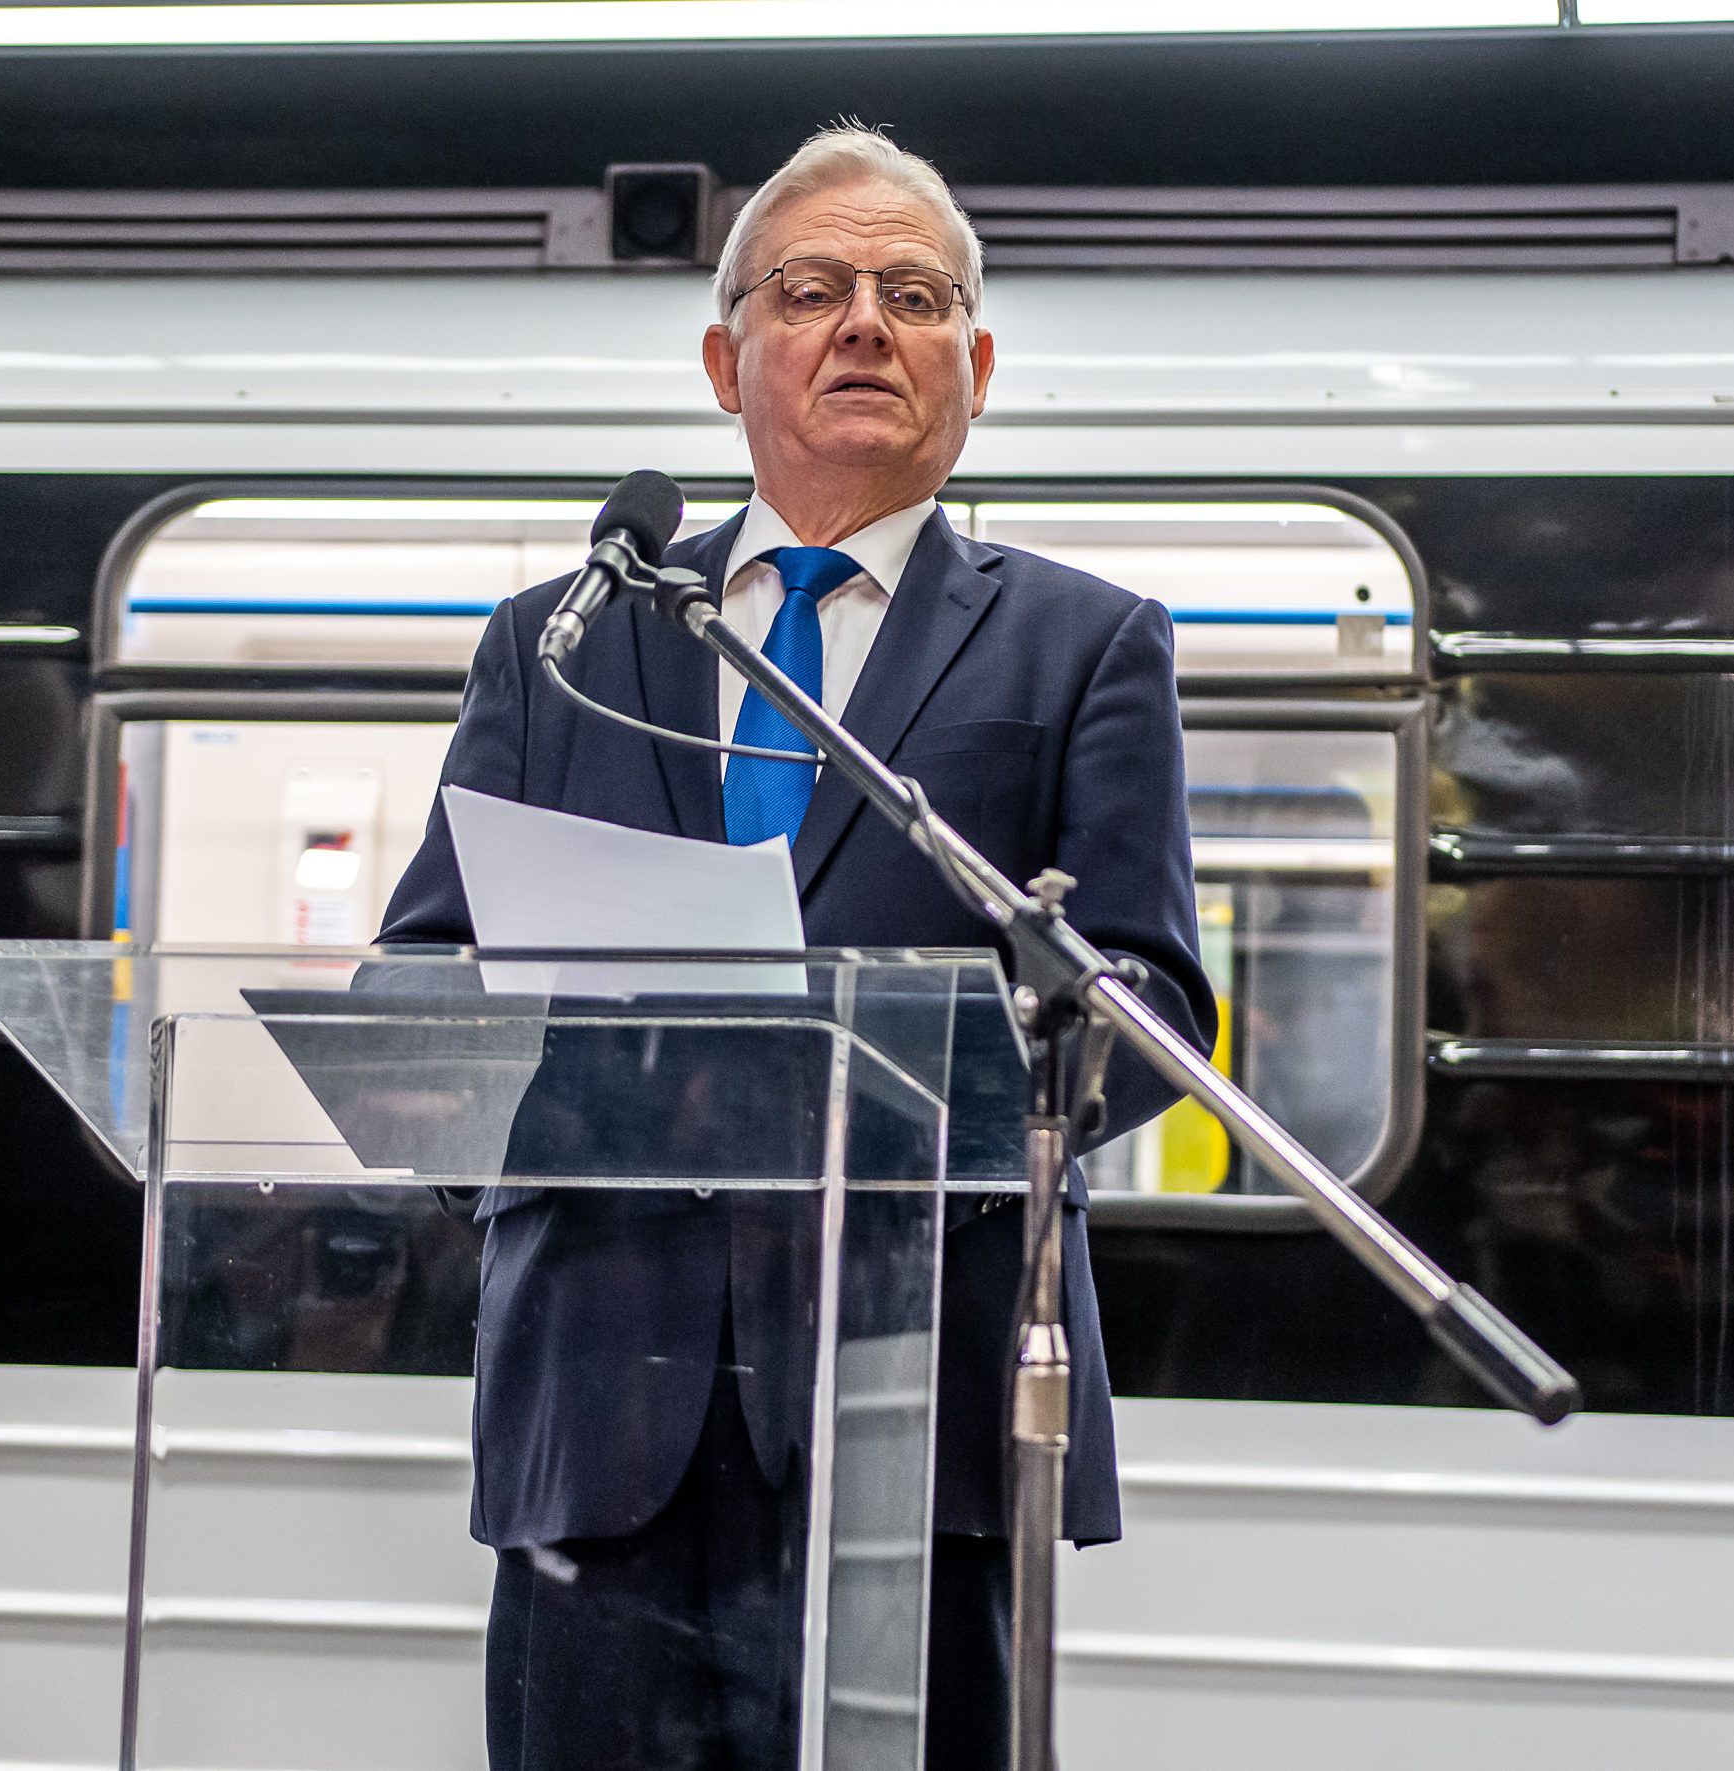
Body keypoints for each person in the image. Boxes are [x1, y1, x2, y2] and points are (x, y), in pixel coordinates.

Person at [377, 123, 1214, 1770]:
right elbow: (416, 986)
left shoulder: (1083, 644)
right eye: (810, 288)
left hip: (920, 1401)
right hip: (601, 1407)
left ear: (973, 363)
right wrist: (601, 1095)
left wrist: (873, 1078)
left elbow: (1148, 1007)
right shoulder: (565, 636)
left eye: (912, 296)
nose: (861, 326)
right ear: (723, 356)